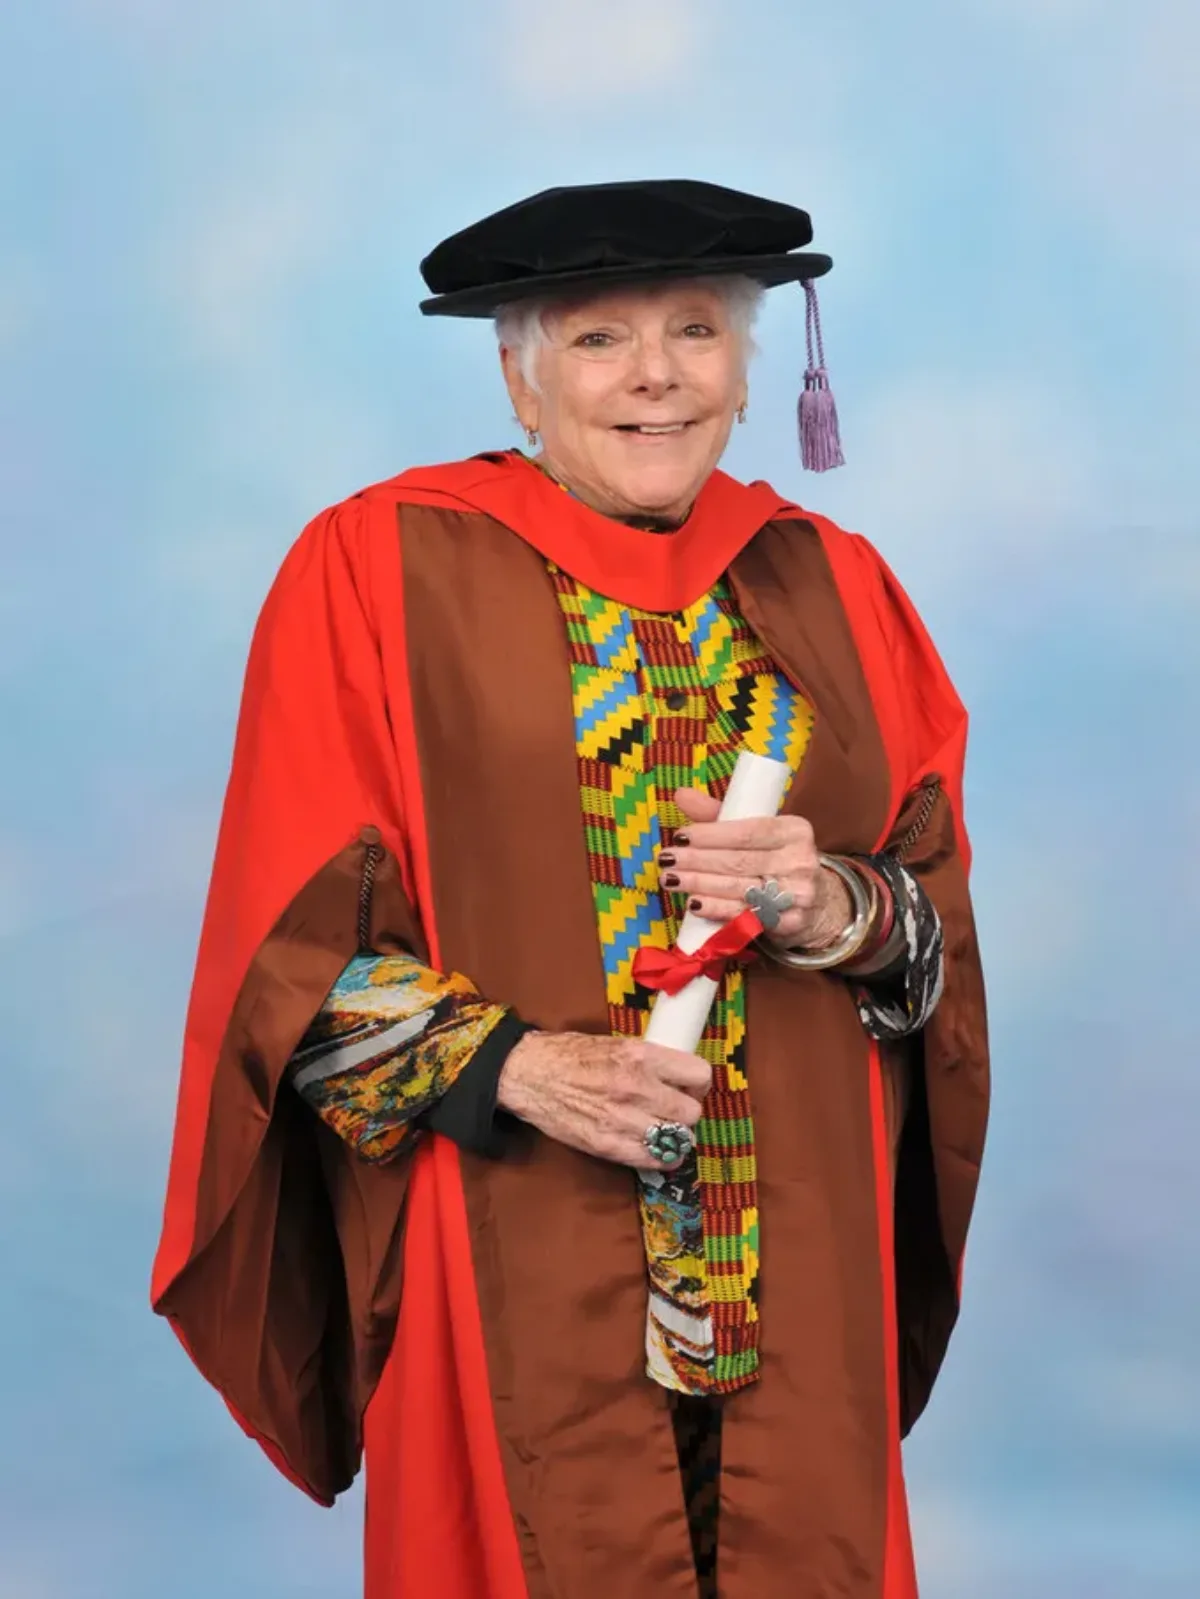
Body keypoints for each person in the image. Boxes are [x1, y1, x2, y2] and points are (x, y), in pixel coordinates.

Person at [152, 179, 989, 1599]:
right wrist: (521, 1067)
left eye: (695, 333)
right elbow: (282, 954)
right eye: (599, 340)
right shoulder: (378, 567)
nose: (656, 376)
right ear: (518, 375)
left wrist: (835, 908)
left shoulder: (836, 582)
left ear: (747, 368)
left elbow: (928, 936)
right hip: (516, 1232)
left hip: (802, 1232)